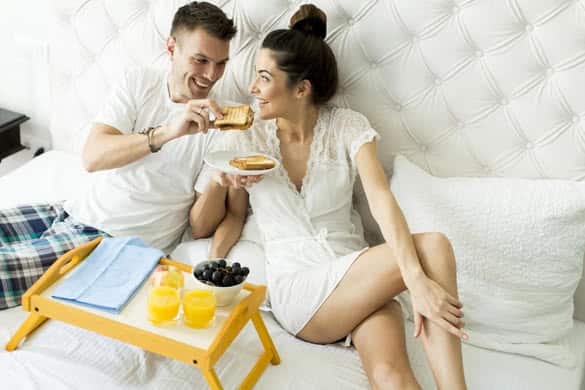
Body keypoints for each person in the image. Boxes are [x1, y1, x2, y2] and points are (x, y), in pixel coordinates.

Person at [193, 4, 468, 389]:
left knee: (392, 376)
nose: (252, 88)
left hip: (357, 274)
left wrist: (416, 281)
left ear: (301, 89)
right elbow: (216, 221)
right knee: (434, 246)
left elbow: (380, 199)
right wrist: (221, 184)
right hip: (302, 291)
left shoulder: (347, 127)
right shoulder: (246, 137)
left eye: (264, 77)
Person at [0, 1, 241, 310]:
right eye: (201, 60)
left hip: (115, 243)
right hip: (72, 212)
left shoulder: (223, 123)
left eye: (221, 63)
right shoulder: (139, 82)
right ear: (171, 47)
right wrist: (170, 131)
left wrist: (219, 180)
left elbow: (200, 228)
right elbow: (93, 157)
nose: (211, 75)